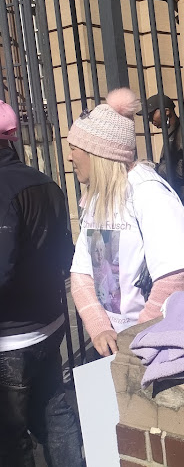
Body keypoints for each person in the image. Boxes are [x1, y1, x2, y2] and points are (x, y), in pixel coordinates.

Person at [68, 88, 184, 357]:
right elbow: (81, 274)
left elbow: (177, 274)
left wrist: (138, 338)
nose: (69, 157)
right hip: (110, 344)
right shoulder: (96, 197)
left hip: (149, 347)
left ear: (98, 152)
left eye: (74, 148)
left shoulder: (148, 192)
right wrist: (98, 327)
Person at [0, 100, 85, 466]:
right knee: (54, 410)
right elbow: (66, 254)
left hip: (11, 338)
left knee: (10, 434)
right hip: (49, 324)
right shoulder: (45, 181)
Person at [138, 94, 184, 221]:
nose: (150, 120)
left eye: (152, 114)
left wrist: (156, 169)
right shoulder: (171, 134)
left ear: (166, 111)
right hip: (177, 196)